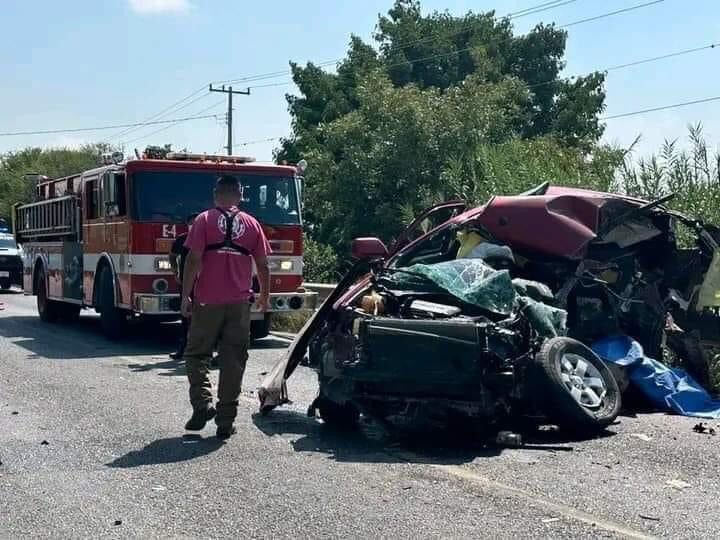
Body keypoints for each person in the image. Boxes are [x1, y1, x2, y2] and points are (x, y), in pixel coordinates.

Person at [181, 175, 271, 440]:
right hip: (239, 303)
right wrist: (265, 296)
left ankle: (202, 403)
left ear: (215, 194)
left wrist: (186, 295)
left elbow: (193, 259)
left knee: (197, 355)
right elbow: (264, 265)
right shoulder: (253, 224)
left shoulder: (203, 220)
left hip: (207, 301)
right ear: (240, 195)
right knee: (234, 361)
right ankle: (225, 421)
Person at [169, 213, 198, 360]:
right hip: (186, 283)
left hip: (203, 284)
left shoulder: (207, 239)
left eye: (196, 223)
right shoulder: (182, 239)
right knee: (185, 317)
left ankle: (207, 350)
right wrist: (175, 271)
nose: (193, 226)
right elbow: (172, 256)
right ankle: (183, 348)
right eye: (191, 223)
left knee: (206, 318)